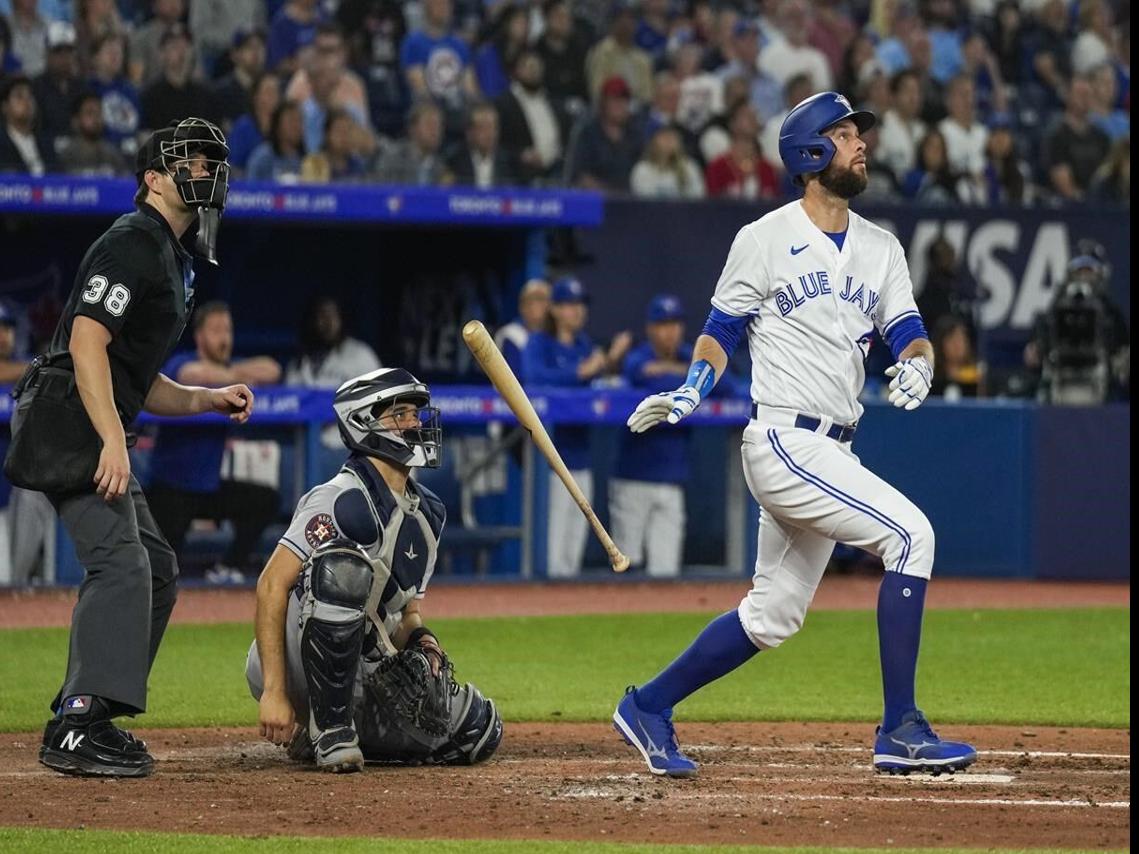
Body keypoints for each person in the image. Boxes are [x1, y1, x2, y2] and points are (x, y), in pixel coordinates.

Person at [611, 92, 977, 779]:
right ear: (809, 152)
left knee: (773, 614)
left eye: (858, 134)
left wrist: (920, 367)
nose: (859, 144)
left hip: (831, 446)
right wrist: (692, 386)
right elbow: (719, 333)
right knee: (911, 536)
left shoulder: (881, 247)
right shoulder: (762, 237)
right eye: (843, 134)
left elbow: (908, 334)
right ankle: (899, 728)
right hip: (782, 441)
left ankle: (648, 705)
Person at [9, 117, 255, 778]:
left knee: (156, 568)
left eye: (210, 163)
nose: (206, 172)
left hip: (93, 414)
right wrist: (113, 442)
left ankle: (92, 714)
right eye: (193, 162)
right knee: (121, 564)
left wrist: (204, 398)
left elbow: (134, 378)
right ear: (153, 177)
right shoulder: (131, 240)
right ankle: (76, 724)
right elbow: (87, 342)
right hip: (68, 420)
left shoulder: (170, 257)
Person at [245, 368, 503, 772]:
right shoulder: (337, 499)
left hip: (365, 664)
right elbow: (271, 586)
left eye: (416, 414)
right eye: (400, 415)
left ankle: (330, 733)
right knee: (342, 570)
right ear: (361, 422)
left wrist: (422, 641)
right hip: (295, 660)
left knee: (479, 729)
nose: (415, 424)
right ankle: (329, 731)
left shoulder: (428, 514)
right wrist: (275, 691)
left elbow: (406, 614)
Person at [145, 301, 282, 584]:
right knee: (164, 575)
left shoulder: (231, 369)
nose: (224, 338)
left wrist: (233, 374)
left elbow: (272, 369)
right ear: (199, 337)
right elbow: (193, 375)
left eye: (228, 330)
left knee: (265, 500)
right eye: (216, 330)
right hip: (170, 489)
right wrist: (237, 379)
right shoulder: (181, 362)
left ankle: (227, 567)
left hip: (208, 490)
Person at [522, 276, 631, 577]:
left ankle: (566, 608)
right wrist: (581, 371)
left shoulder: (584, 344)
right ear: (554, 309)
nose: (577, 311)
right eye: (569, 305)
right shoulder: (539, 343)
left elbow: (598, 383)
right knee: (551, 550)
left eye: (580, 305)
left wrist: (606, 363)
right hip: (550, 462)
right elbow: (532, 380)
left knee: (573, 548)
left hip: (581, 456)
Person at [609, 294, 692, 578]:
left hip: (672, 481)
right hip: (634, 479)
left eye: (675, 323)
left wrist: (670, 370)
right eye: (663, 324)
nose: (670, 331)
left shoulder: (690, 357)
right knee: (626, 565)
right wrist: (686, 378)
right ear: (650, 329)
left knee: (666, 571)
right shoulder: (638, 357)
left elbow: (725, 383)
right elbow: (638, 374)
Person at [494, 278, 550, 377]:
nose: (535, 305)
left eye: (541, 299)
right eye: (530, 300)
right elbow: (517, 376)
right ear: (522, 306)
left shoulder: (557, 335)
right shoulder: (510, 334)